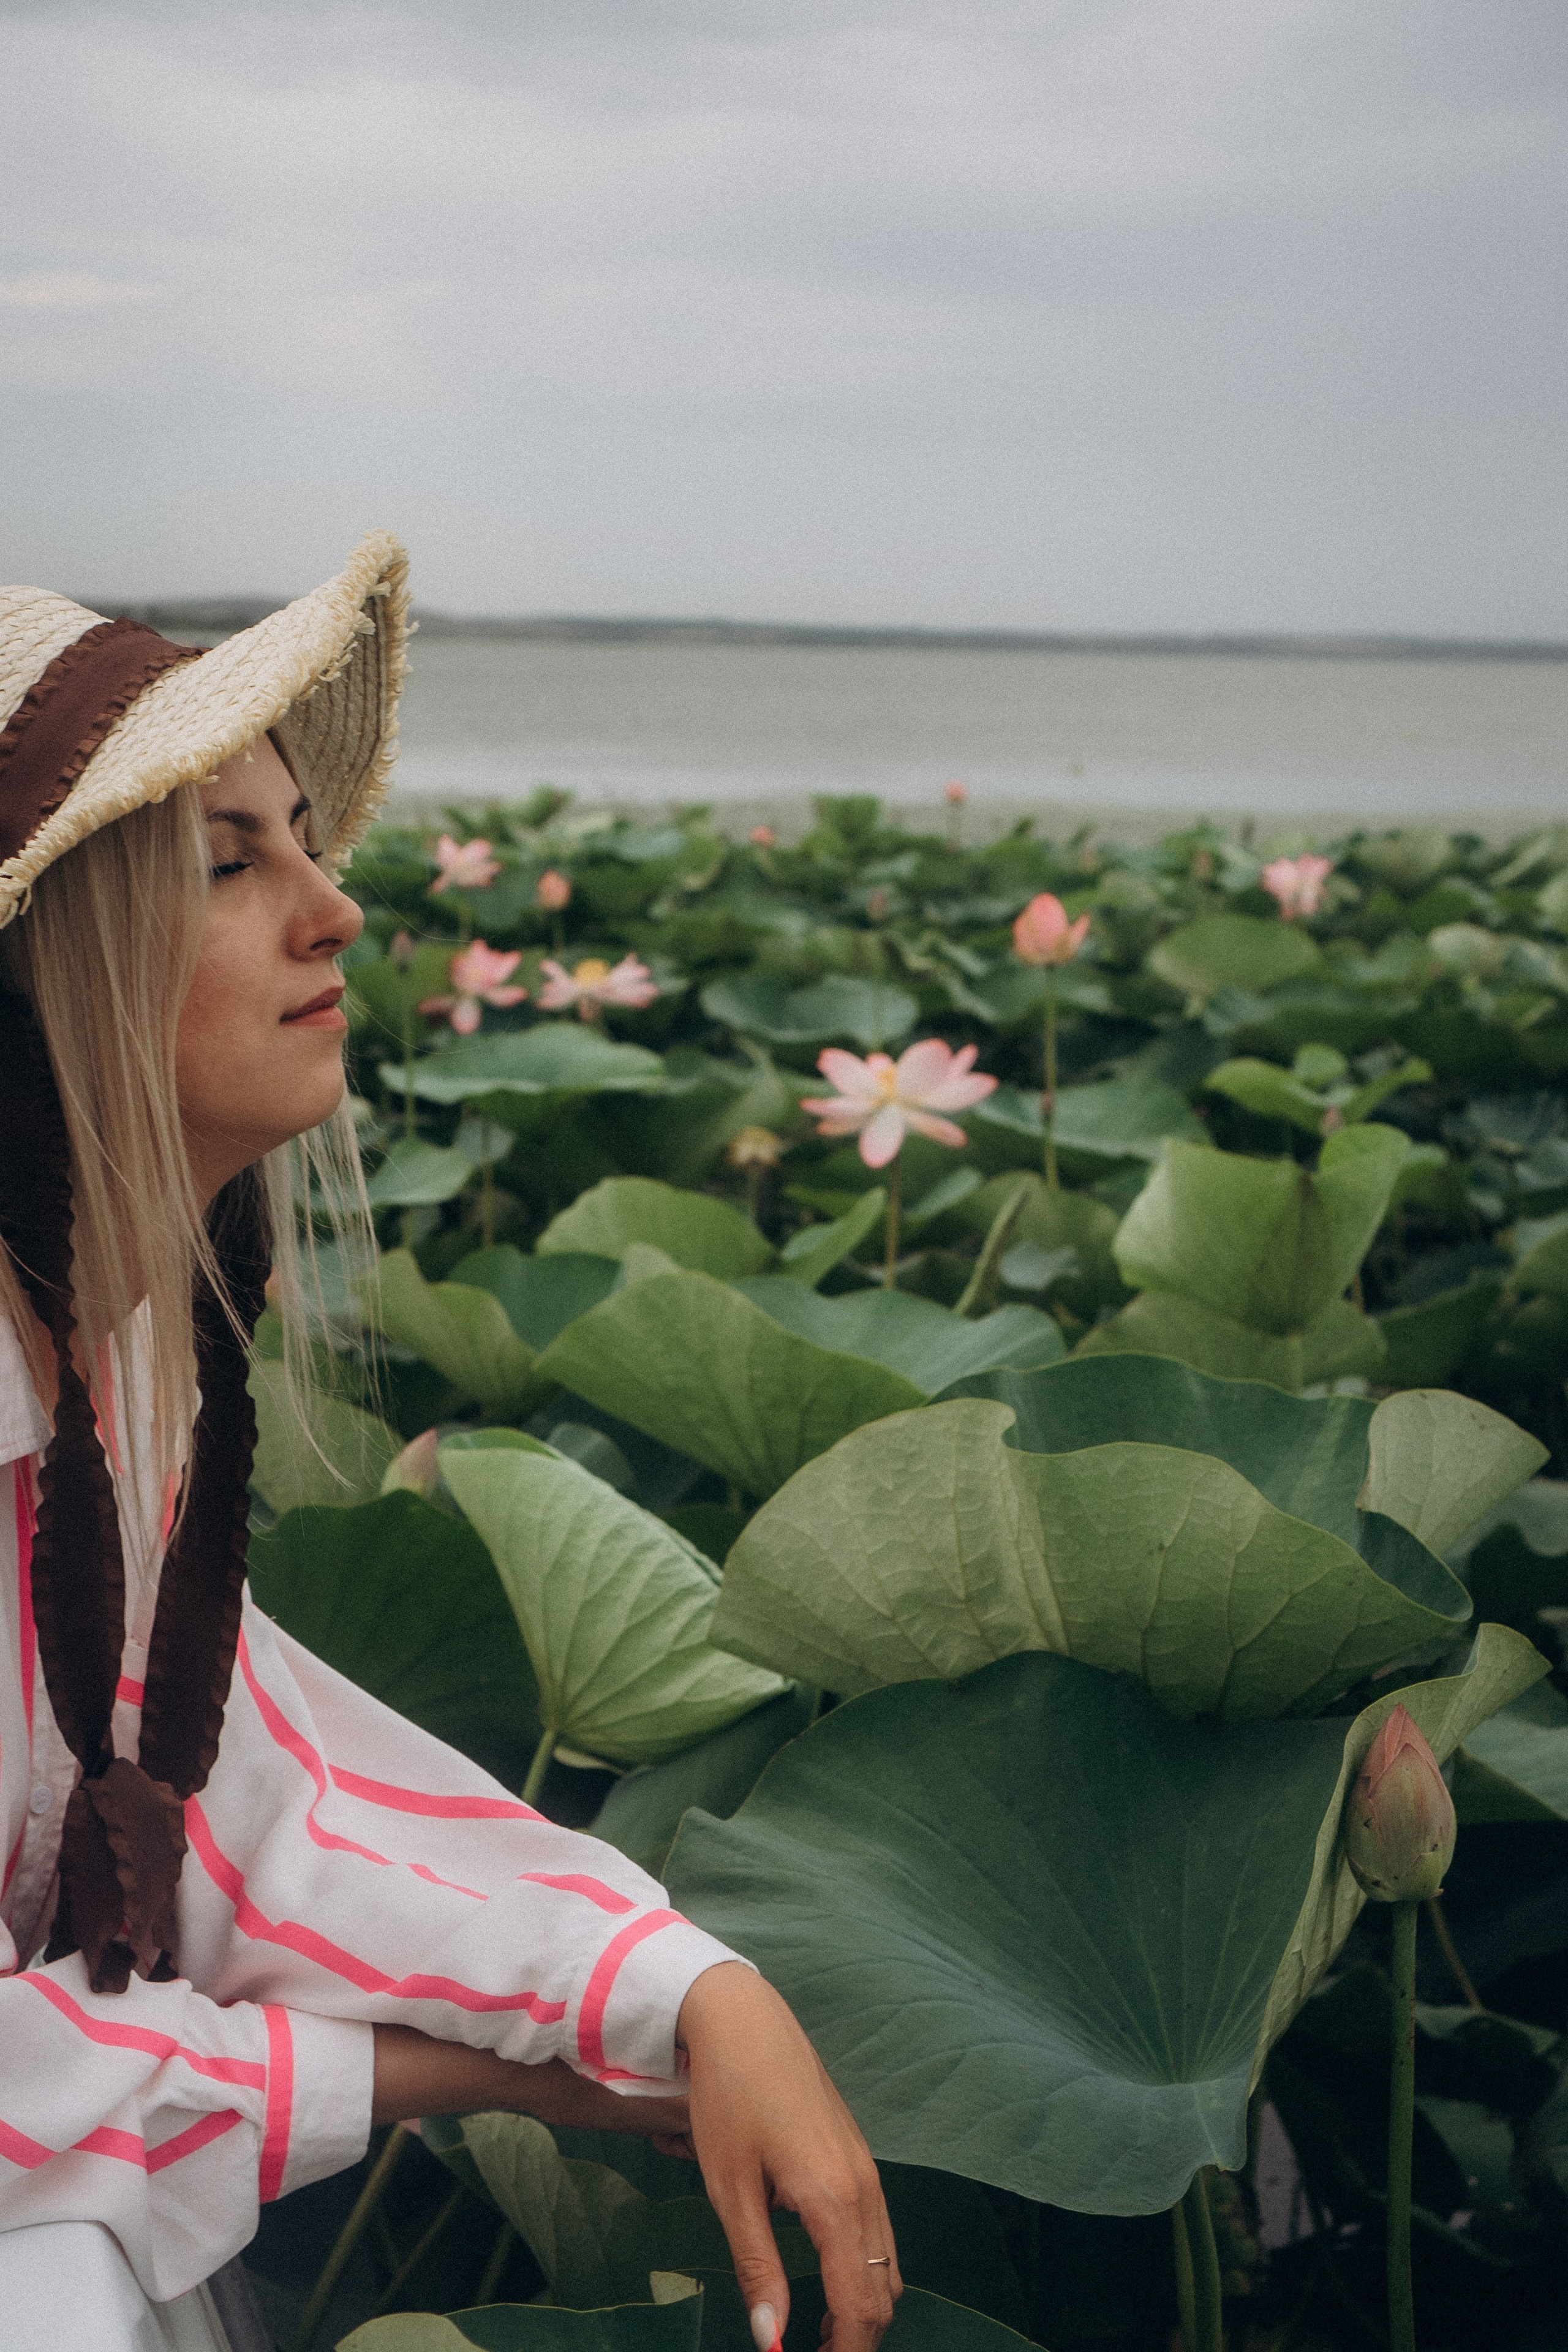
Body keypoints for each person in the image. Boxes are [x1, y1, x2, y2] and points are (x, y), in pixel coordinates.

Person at [0, 535, 900, 2352]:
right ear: (38, 971)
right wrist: (447, 2075)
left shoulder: (100, 1391)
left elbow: (258, 1802)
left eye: (306, 840)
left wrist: (677, 1987)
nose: (332, 911)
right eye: (224, 860)